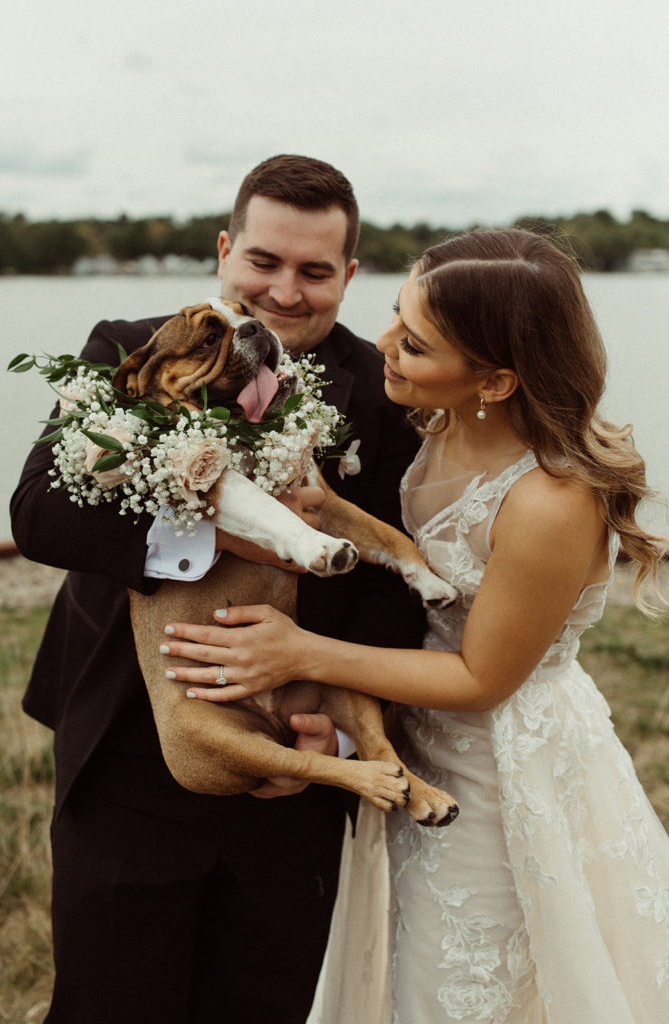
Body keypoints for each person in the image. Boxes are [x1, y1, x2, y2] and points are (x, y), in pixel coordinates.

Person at [160, 227, 669, 1022]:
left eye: (417, 343)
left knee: (467, 986)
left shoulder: (549, 502)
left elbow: (481, 678)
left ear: (494, 381)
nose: (385, 344)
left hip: (500, 769)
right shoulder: (435, 426)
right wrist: (325, 510)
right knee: (398, 971)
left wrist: (300, 652)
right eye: (397, 313)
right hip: (413, 744)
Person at [10, 154, 428, 1024]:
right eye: (263, 263)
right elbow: (42, 514)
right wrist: (206, 537)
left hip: (295, 763)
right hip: (126, 740)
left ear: (349, 276)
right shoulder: (125, 346)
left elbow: (397, 585)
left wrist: (333, 742)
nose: (285, 291)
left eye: (316, 272)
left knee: (262, 1000)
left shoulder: (385, 398)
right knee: (110, 999)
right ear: (224, 250)